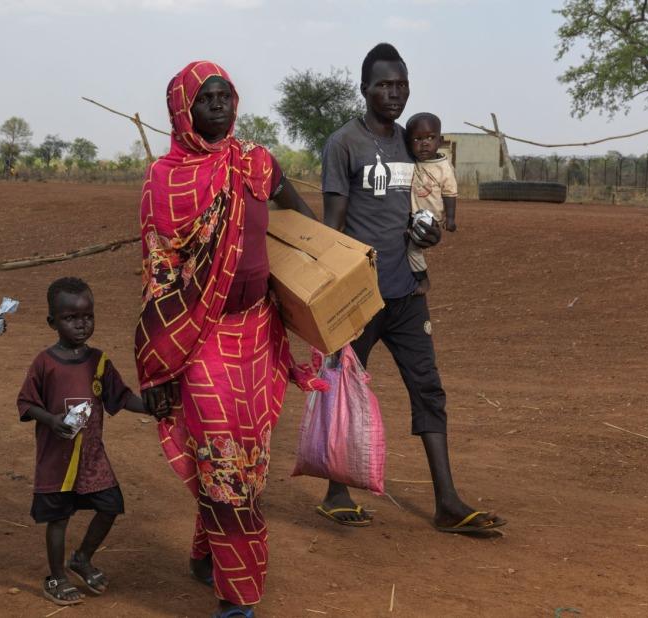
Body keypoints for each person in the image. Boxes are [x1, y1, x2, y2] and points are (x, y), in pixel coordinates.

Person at [135, 61, 326, 618]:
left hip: (259, 335)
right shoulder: (163, 180)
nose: (218, 105)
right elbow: (158, 270)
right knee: (222, 458)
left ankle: (206, 553)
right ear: (183, 110)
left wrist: (320, 262)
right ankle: (237, 596)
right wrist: (161, 361)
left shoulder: (255, 161)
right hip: (200, 337)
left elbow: (299, 214)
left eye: (225, 96)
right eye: (205, 99)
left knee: (246, 464)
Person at [319, 43, 506, 533]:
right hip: (358, 295)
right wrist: (333, 294)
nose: (394, 93)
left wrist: (431, 234)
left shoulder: (412, 143)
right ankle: (336, 490)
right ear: (364, 89)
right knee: (343, 387)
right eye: (383, 84)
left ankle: (447, 501)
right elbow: (333, 225)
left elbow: (422, 212)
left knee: (428, 387)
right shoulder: (344, 144)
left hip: (405, 292)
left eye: (401, 84)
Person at [18, 277, 162, 607]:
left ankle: (82, 557)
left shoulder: (99, 361)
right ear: (53, 322)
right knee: (58, 518)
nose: (81, 324)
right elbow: (26, 404)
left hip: (92, 458)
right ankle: (56, 577)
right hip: (57, 459)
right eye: (71, 318)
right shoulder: (45, 363)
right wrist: (52, 420)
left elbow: (121, 397)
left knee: (111, 505)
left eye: (88, 316)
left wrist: (151, 407)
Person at [405, 112, 458, 295]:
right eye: (417, 139)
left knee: (413, 249)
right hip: (409, 214)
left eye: (430, 138)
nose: (424, 143)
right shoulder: (412, 161)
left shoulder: (443, 168)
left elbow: (450, 193)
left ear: (440, 140)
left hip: (427, 218)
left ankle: (423, 280)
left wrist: (450, 218)